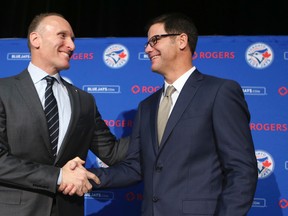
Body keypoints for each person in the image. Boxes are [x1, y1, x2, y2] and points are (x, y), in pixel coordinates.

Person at [90, 13, 258, 216]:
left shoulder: (219, 92)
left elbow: (241, 170)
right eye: (147, 43)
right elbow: (135, 167)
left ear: (181, 40)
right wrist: (85, 177)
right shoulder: (147, 106)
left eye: (154, 40)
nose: (147, 49)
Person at [0, 12, 129, 216]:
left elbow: (112, 152)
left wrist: (158, 125)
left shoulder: (84, 100)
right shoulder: (3, 91)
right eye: (62, 35)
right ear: (35, 39)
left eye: (73, 39)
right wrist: (58, 177)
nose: (71, 45)